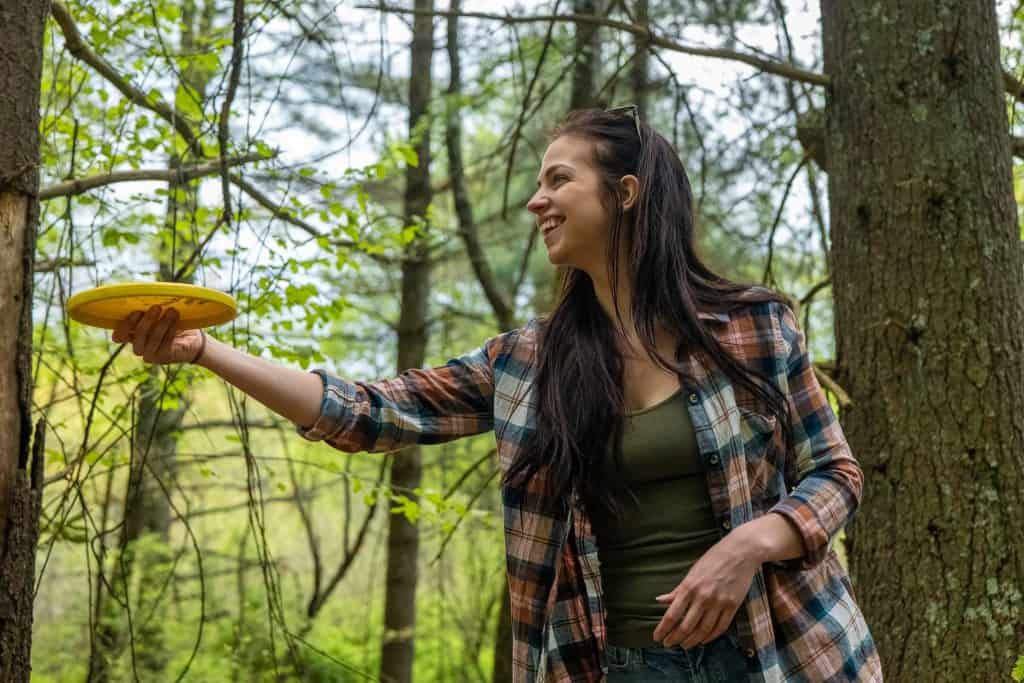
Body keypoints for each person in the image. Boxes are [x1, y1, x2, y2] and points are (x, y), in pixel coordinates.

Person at [113, 108, 882, 682]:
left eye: (558, 179)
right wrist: (204, 350)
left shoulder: (753, 326)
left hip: (782, 651)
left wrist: (747, 545)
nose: (535, 201)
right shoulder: (528, 363)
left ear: (625, 193)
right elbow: (364, 409)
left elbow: (836, 474)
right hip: (614, 664)